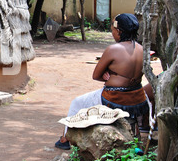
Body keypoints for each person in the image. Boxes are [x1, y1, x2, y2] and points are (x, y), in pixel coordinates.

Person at [55, 13, 151, 150]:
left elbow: (96, 75)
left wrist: (110, 75)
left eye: (113, 30)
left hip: (114, 98)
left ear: (119, 31)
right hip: (137, 98)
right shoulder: (142, 49)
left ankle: (65, 139)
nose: (112, 33)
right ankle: (135, 142)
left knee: (77, 102)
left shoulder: (113, 49)